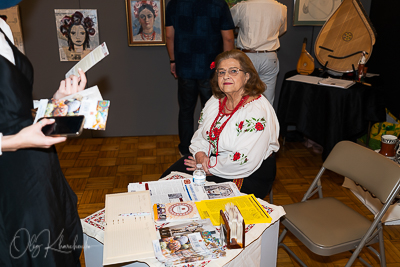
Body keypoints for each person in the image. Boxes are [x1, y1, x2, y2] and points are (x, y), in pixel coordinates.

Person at [0, 3, 87, 265]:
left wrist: (57, 101)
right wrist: (17, 141)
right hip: (10, 173)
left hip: (39, 165)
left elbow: (13, 105)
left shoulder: (2, 27)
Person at [161, 50, 280, 199]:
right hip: (212, 159)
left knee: (192, 196)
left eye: (234, 71)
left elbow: (244, 160)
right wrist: (199, 154)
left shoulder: (257, 111)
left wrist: (208, 166)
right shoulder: (216, 100)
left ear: (247, 76)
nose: (226, 76)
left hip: (248, 173)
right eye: (221, 72)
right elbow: (201, 133)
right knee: (167, 181)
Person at [165, 0, 235, 156]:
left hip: (185, 66)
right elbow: (229, 38)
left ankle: (185, 149)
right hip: (211, 69)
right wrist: (228, 68)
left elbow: (169, 36)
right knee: (213, 112)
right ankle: (211, 150)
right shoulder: (219, 4)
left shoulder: (174, 4)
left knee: (185, 110)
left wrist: (173, 60)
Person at [230, 0, 287, 105]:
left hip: (247, 56)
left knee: (242, 96)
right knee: (267, 100)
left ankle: (242, 121)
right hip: (269, 56)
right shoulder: (281, 8)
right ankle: (264, 121)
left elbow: (229, 24)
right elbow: (281, 30)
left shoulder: (242, 7)